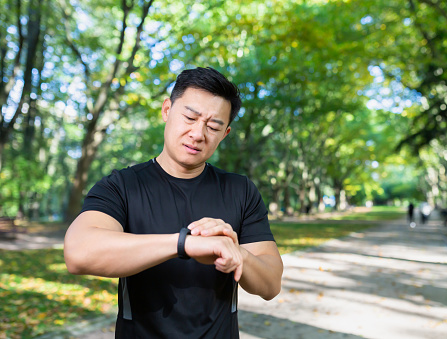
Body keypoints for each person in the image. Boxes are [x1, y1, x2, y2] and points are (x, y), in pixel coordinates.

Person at [64, 67, 284, 338]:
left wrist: (238, 253)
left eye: (213, 126)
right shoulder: (121, 186)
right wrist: (185, 244)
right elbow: (78, 253)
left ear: (225, 133)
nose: (198, 133)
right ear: (167, 110)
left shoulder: (241, 190)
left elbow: (271, 284)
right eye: (190, 117)